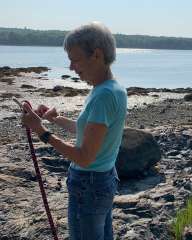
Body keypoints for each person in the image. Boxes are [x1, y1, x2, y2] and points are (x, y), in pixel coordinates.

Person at [22, 22, 127, 240]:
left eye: (75, 59)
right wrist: (54, 119)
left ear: (96, 55)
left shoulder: (103, 96)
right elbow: (89, 131)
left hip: (89, 185)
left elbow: (85, 157)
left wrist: (41, 131)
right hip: (102, 180)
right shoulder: (112, 89)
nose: (71, 67)